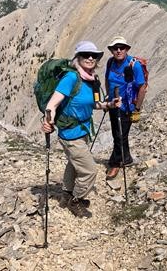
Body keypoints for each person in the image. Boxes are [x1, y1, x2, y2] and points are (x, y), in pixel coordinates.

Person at [42, 41, 121, 218]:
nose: (91, 58)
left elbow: (93, 103)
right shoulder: (71, 78)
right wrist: (48, 121)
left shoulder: (91, 79)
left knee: (74, 163)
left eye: (94, 55)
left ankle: (66, 194)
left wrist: (109, 104)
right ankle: (76, 201)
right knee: (90, 170)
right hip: (70, 133)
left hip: (83, 130)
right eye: (86, 55)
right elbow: (52, 104)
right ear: (77, 57)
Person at [105, 36, 147, 180]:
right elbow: (107, 80)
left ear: (127, 49)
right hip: (113, 104)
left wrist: (137, 109)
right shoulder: (110, 62)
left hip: (127, 106)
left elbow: (142, 87)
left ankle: (116, 164)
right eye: (115, 48)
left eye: (121, 47)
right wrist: (107, 98)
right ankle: (126, 158)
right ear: (111, 50)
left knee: (120, 135)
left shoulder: (133, 65)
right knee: (117, 133)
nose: (118, 50)